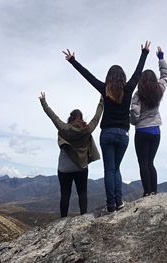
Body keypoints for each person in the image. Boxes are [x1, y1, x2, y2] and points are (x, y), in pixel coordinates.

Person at [63, 41, 150, 212]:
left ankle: (111, 205)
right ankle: (119, 202)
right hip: (123, 135)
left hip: (107, 134)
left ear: (109, 77)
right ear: (123, 77)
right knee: (116, 169)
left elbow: (88, 76)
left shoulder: (104, 89)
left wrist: (73, 61)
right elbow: (138, 72)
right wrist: (144, 53)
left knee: (109, 170)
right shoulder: (129, 88)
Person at [39, 92, 103, 217]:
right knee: (82, 193)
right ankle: (83, 216)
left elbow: (53, 117)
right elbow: (97, 117)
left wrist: (43, 102)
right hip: (81, 167)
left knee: (65, 194)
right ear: (81, 117)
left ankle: (63, 218)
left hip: (64, 168)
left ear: (71, 118)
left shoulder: (64, 128)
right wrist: (102, 102)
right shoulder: (87, 129)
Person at [130, 46, 167, 197]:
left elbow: (135, 113)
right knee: (151, 162)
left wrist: (133, 121)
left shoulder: (138, 94)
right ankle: (154, 191)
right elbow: (165, 76)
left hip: (142, 131)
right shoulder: (159, 89)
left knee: (143, 163)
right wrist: (161, 58)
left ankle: (147, 192)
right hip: (156, 131)